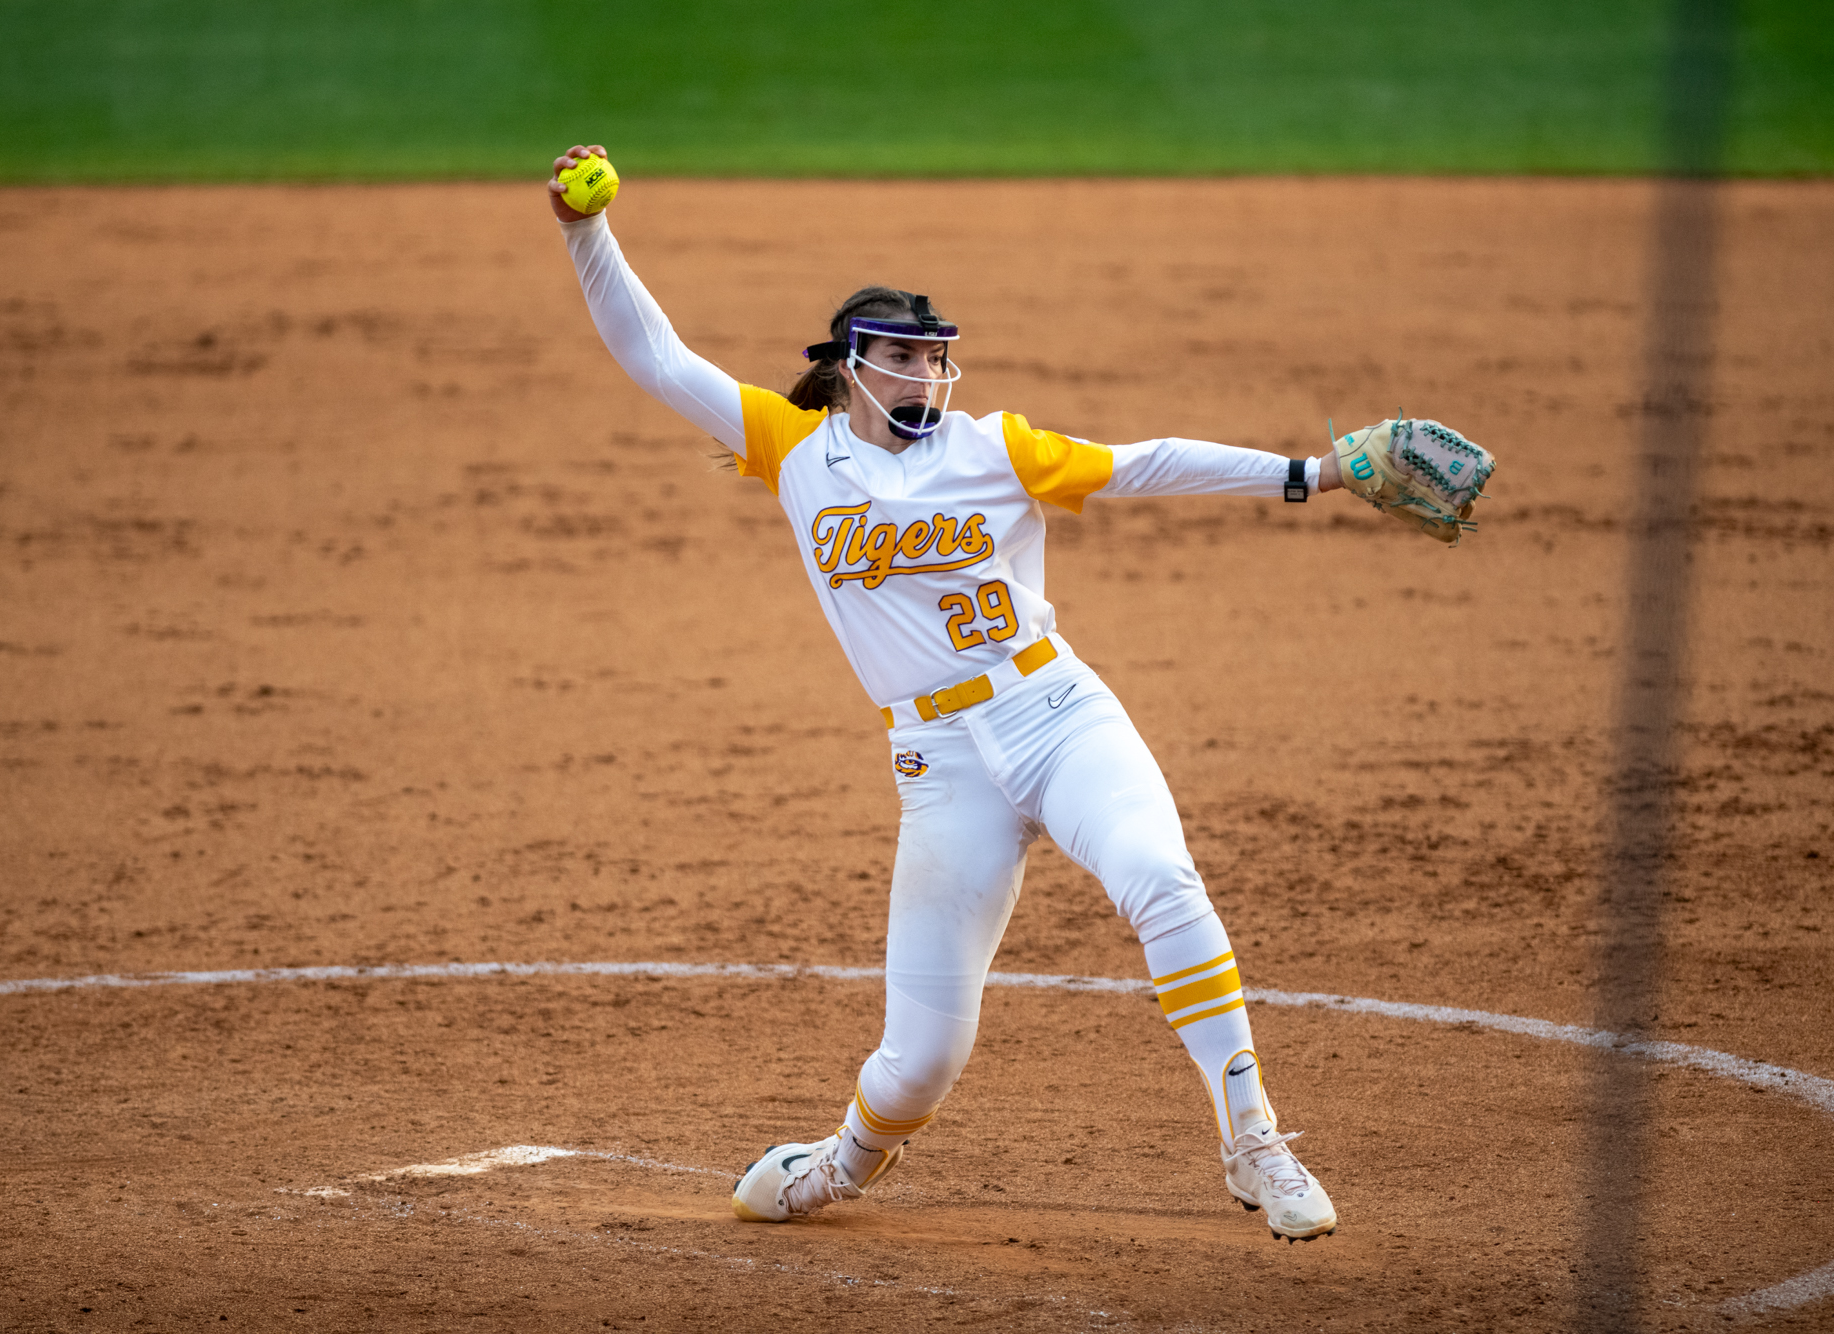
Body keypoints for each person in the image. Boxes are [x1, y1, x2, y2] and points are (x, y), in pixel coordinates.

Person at [550, 144, 1346, 1243]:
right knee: (919, 1060)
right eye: (902, 358)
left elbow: (1143, 462)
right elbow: (654, 353)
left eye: (935, 360)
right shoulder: (793, 450)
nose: (924, 377)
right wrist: (583, 228)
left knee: (1158, 874)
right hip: (938, 768)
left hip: (1057, 714)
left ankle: (1254, 1140)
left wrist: (1309, 473)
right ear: (846, 365)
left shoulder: (994, 448)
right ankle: (839, 1163)